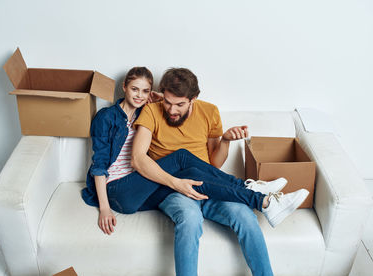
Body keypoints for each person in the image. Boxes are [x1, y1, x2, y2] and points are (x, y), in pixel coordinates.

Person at [81, 67, 308, 276]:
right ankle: (253, 191)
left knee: (245, 217)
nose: (171, 109)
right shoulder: (144, 112)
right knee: (189, 216)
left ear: (193, 100)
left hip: (209, 184)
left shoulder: (208, 112)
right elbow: (132, 160)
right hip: (168, 189)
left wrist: (226, 141)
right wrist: (175, 184)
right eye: (168, 102)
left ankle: (263, 206)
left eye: (179, 104)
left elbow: (213, 166)